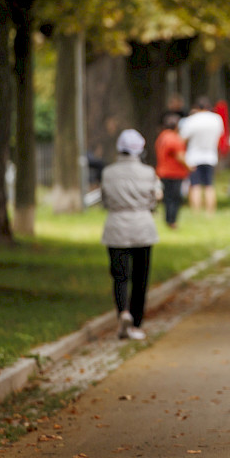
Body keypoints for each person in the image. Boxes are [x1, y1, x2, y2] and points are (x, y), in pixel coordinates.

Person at [101, 129, 162, 341]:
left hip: (116, 226)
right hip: (142, 227)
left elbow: (105, 200)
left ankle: (122, 313)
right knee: (140, 278)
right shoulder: (148, 172)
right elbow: (154, 199)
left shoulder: (108, 172)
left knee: (119, 276)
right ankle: (136, 322)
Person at [179, 96, 226, 214]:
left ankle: (196, 212)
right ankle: (210, 212)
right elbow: (220, 135)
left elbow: (182, 138)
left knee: (195, 185)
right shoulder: (217, 119)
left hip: (194, 156)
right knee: (209, 185)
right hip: (210, 155)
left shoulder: (192, 120)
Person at [154, 113, 189, 228]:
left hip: (162, 171)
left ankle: (168, 219)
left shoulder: (161, 137)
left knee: (167, 198)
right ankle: (172, 221)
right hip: (174, 173)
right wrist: (189, 167)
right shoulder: (174, 138)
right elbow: (180, 156)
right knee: (175, 198)